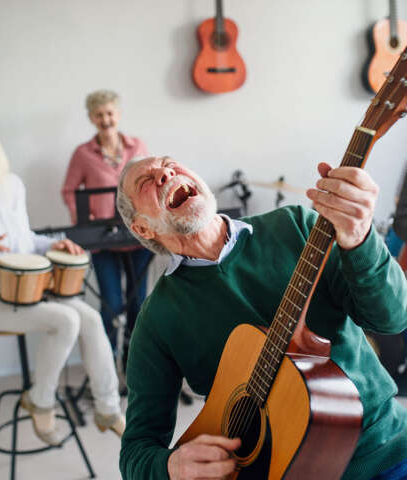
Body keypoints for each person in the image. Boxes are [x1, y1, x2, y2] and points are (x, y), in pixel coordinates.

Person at [116, 156, 407, 479]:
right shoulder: (157, 318)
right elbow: (136, 450)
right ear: (141, 227)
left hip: (385, 451)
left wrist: (361, 238)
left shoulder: (296, 225)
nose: (165, 174)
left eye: (171, 164)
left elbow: (392, 319)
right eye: (146, 181)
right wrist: (171, 466)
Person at [0, 113, 125, 446]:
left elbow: (25, 241)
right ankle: (41, 400)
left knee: (90, 319)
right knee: (64, 319)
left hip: (27, 291)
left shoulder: (12, 185)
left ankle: (108, 409)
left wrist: (55, 242)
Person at [61, 89, 153, 359]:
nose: (106, 119)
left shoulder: (137, 146)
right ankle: (105, 361)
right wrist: (83, 220)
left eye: (110, 113)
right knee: (111, 304)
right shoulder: (82, 154)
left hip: (138, 234)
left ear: (118, 114)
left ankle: (133, 359)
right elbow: (69, 190)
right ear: (91, 118)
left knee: (139, 304)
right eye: (99, 114)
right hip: (103, 240)